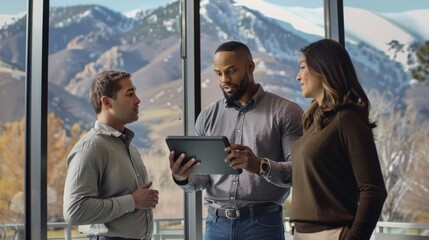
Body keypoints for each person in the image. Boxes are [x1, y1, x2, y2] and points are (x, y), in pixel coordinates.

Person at [169, 41, 303, 240]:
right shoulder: (207, 117)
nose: (225, 80)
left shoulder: (286, 112)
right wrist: (182, 177)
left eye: (231, 71)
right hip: (216, 226)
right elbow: (202, 180)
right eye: (218, 73)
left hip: (263, 226)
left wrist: (260, 166)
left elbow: (299, 174)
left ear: (250, 67)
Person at [290, 39, 388, 240]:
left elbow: (373, 190)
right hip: (301, 234)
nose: (298, 76)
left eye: (302, 67)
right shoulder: (314, 122)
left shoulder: (348, 118)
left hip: (331, 234)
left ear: (323, 69)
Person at [63, 70, 159, 240]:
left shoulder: (130, 148)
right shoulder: (90, 148)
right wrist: (133, 201)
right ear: (106, 102)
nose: (138, 100)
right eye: (130, 94)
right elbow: (74, 211)